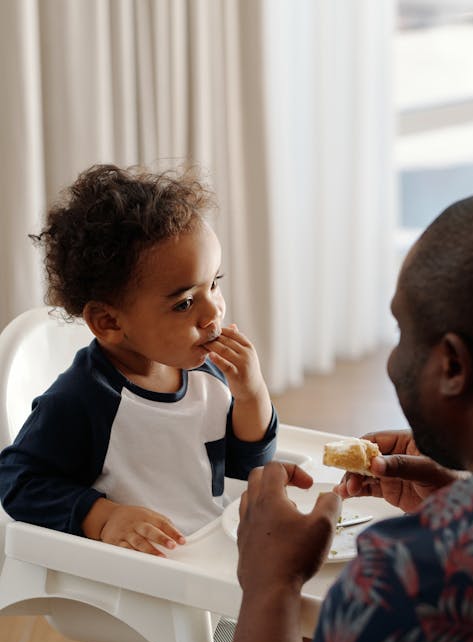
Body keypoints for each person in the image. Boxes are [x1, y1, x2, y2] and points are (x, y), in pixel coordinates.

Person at [215, 190, 473, 642]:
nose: (393, 359)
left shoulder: (412, 577)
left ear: (452, 365)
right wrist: (462, 497)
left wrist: (270, 585)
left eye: (400, 332)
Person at [0, 163, 277, 555]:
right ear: (109, 321)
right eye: (184, 302)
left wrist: (252, 396)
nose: (212, 312)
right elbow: (18, 482)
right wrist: (105, 518)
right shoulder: (82, 401)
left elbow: (244, 469)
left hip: (205, 555)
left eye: (214, 283)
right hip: (135, 580)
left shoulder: (205, 373)